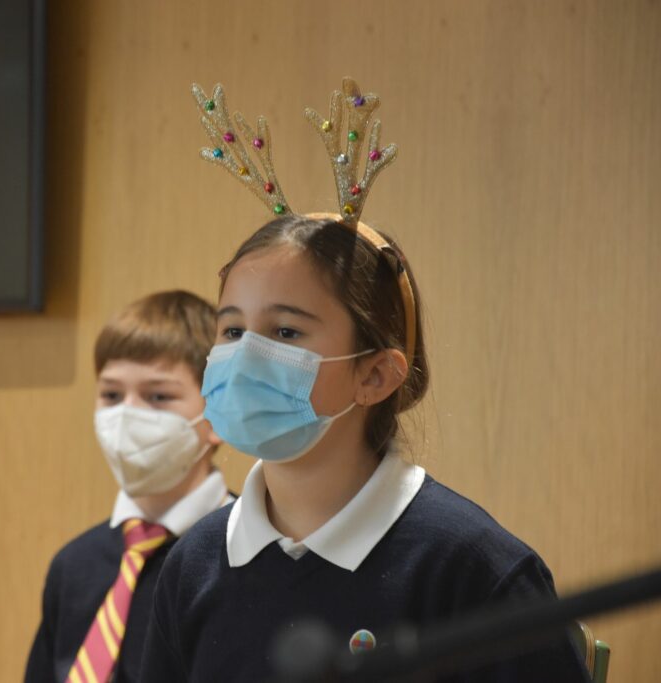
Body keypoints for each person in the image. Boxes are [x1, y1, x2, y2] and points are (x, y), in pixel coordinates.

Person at [138, 81, 590, 681]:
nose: (245, 356)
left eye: (286, 332)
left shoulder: (473, 570)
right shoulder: (194, 563)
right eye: (232, 330)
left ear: (375, 374)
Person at [24, 290, 232, 683]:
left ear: (219, 413)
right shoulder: (74, 564)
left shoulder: (245, 554)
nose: (127, 415)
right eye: (112, 395)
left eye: (158, 396)